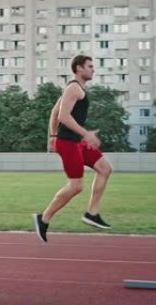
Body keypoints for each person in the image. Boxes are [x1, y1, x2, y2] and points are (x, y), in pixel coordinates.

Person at [33, 55, 114, 242]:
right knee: (76, 186)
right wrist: (85, 134)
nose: (93, 69)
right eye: (90, 66)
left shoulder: (75, 89)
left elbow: (55, 111)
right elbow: (63, 116)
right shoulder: (73, 88)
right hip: (69, 143)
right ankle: (43, 219)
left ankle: (92, 213)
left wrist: (52, 136)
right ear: (79, 68)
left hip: (77, 141)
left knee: (105, 168)